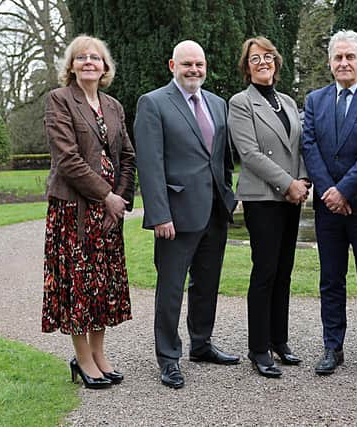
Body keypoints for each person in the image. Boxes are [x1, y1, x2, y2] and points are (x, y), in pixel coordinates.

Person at [134, 40, 239, 389]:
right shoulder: (153, 103)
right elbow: (150, 166)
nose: (194, 70)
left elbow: (222, 158)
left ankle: (202, 344)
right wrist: (159, 215)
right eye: (187, 64)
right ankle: (168, 358)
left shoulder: (217, 103)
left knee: (207, 284)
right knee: (171, 288)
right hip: (176, 216)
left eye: (199, 64)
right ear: (172, 65)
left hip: (214, 211)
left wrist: (228, 195)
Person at [42, 35, 135, 389]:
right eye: (81, 58)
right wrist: (105, 196)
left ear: (105, 66)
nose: (88, 63)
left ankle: (99, 354)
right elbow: (67, 158)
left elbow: (126, 156)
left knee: (103, 287)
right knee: (79, 287)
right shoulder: (59, 100)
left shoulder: (113, 105)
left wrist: (120, 198)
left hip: (109, 213)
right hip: (74, 211)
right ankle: (82, 359)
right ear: (72, 65)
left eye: (95, 58)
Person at [302, 30, 357, 378]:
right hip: (328, 208)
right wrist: (330, 192)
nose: (344, 62)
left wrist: (345, 191)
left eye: (350, 57)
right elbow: (309, 147)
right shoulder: (315, 100)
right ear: (330, 62)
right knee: (330, 280)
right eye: (338, 57)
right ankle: (332, 346)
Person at [228, 37, 310, 378]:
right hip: (263, 197)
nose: (263, 62)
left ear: (276, 62)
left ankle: (280, 340)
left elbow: (300, 147)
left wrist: (303, 182)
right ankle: (259, 347)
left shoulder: (288, 101)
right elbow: (249, 154)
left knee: (284, 270)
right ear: (247, 67)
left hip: (291, 196)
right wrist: (287, 183)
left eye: (268, 57)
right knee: (264, 272)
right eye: (255, 58)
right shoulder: (240, 103)